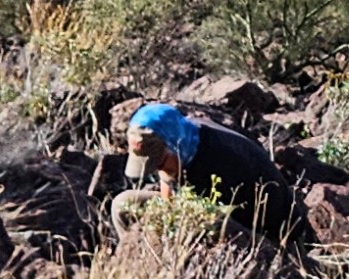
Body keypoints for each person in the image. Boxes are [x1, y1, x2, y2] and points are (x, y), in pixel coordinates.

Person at [114, 100, 299, 240]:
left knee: (203, 222)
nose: (158, 171)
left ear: (174, 145)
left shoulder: (220, 161)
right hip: (217, 214)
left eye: (159, 164)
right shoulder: (183, 137)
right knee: (122, 204)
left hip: (269, 237)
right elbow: (167, 190)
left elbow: (224, 228)